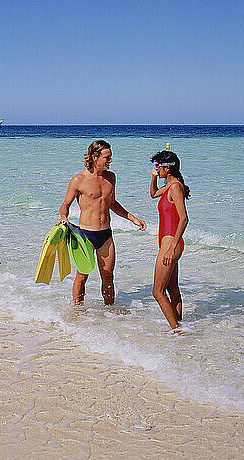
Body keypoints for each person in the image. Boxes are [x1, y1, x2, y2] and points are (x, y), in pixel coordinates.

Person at [59, 140, 147, 305]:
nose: (110, 161)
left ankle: (110, 313)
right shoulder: (78, 180)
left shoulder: (111, 178)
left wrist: (133, 219)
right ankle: (77, 312)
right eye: (107, 157)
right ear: (94, 157)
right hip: (85, 235)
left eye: (110, 157)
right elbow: (65, 204)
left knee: (108, 275)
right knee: (82, 275)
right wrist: (64, 218)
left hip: (106, 235)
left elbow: (112, 203)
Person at [149, 150, 190, 331]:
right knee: (172, 288)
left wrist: (172, 246)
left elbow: (184, 218)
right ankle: (179, 325)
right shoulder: (169, 185)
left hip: (170, 245)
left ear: (167, 168)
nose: (157, 169)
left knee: (157, 291)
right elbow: (153, 193)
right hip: (167, 244)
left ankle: (176, 330)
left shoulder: (175, 187)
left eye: (159, 167)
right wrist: (153, 176)